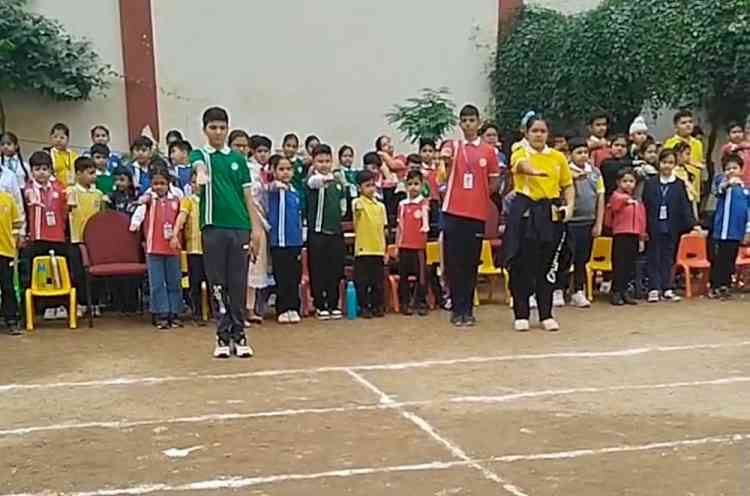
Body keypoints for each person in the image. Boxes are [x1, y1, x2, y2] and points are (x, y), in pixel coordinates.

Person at [191, 107, 260, 359]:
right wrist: (199, 175)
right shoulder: (201, 155)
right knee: (217, 283)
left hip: (239, 227)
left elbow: (247, 196)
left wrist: (255, 229)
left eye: (222, 127)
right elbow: (198, 165)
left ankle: (239, 334)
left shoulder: (238, 160)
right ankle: (222, 335)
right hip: (213, 227)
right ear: (205, 130)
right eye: (213, 128)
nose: (218, 132)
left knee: (238, 282)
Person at [505, 115, 573, 332]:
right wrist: (533, 171)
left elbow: (567, 185)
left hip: (549, 213)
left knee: (547, 264)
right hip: (525, 212)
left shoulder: (557, 157)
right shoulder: (520, 151)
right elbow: (519, 165)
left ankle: (546, 313)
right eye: (534, 131)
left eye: (542, 131)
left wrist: (569, 207)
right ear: (527, 133)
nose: (538, 135)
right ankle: (521, 313)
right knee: (521, 263)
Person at [442, 104, 501, 328]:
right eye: (464, 120)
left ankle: (468, 309)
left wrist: (479, 194)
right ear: (460, 124)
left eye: (471, 120)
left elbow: (494, 182)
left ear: (478, 122)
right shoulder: (453, 146)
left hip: (476, 213)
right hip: (453, 211)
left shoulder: (488, 151)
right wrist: (446, 160)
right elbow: (444, 162)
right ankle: (457, 309)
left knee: (470, 263)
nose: (468, 124)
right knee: (454, 262)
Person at [131, 165, 183, 329]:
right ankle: (161, 313)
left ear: (169, 184)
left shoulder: (177, 200)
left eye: (162, 183)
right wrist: (135, 224)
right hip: (154, 248)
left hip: (173, 248)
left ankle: (175, 313)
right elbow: (138, 212)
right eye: (155, 184)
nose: (158, 187)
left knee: (174, 281)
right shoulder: (148, 201)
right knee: (157, 283)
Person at [642, 149, 695, 303]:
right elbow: (645, 204)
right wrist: (643, 227)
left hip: (672, 226)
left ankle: (667, 287)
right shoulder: (651, 183)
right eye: (664, 162)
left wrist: (692, 224)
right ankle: (653, 288)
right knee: (653, 256)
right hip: (653, 225)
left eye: (670, 162)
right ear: (659, 163)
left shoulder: (678, 184)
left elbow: (685, 206)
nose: (667, 166)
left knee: (669, 257)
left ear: (675, 164)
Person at [557, 137, 604, 309]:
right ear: (570, 154)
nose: (583, 156)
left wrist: (598, 223)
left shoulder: (595, 173)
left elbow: (600, 197)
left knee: (582, 259)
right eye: (579, 152)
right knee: (565, 257)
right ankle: (559, 290)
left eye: (585, 152)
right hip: (570, 222)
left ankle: (578, 290)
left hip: (588, 221)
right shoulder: (565, 171)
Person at [24, 152, 69, 321]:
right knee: (42, 274)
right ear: (32, 171)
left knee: (58, 271)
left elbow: (67, 204)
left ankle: (60, 304)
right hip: (39, 237)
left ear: (50, 170)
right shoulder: (30, 187)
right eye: (37, 169)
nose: (41, 173)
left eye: (45, 169)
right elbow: (30, 197)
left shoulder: (59, 186)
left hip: (57, 236)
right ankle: (45, 306)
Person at [306, 144, 346, 320]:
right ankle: (320, 304)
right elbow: (314, 182)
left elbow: (343, 207)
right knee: (318, 270)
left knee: (335, 269)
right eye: (320, 161)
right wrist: (324, 178)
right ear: (313, 162)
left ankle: (333, 302)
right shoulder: (313, 181)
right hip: (318, 233)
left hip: (335, 233)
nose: (324, 164)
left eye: (327, 161)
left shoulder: (338, 184)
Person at [266, 154, 304, 324]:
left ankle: (293, 307)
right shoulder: (273, 189)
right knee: (281, 277)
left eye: (288, 169)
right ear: (273, 171)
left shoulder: (295, 191)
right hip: (278, 242)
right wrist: (275, 184)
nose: (285, 173)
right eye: (281, 169)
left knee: (294, 276)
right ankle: (282, 308)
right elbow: (268, 187)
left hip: (294, 241)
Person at [66, 157, 104, 317]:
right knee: (78, 272)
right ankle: (81, 303)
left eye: (94, 173)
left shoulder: (98, 194)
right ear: (79, 174)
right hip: (77, 239)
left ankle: (94, 303)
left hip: (94, 241)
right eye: (90, 173)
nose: (94, 176)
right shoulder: (71, 192)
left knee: (95, 274)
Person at [709, 153, 750, 299]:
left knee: (730, 259)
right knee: (719, 258)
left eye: (735, 168)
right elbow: (718, 190)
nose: (731, 171)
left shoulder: (745, 190)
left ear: (741, 170)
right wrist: (727, 183)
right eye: (728, 168)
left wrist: (747, 231)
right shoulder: (722, 182)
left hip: (735, 231)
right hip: (721, 231)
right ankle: (715, 285)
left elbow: (748, 212)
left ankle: (725, 285)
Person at [245, 134, 274, 323]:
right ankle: (243, 309)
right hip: (249, 221)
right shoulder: (248, 170)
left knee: (258, 268)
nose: (263, 155)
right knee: (247, 267)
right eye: (259, 151)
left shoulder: (267, 172)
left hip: (263, 223)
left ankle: (252, 308)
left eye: (266, 151)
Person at [607, 168, 646, 306]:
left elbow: (642, 220)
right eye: (624, 181)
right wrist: (627, 200)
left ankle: (624, 291)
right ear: (618, 182)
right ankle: (616, 291)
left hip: (634, 234)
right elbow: (615, 204)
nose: (628, 184)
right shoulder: (617, 196)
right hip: (621, 233)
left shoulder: (637, 200)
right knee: (619, 264)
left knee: (630, 264)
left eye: (631, 181)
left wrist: (642, 237)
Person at [172, 170, 207, 324]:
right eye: (193, 182)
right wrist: (175, 233)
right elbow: (182, 217)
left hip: (212, 249)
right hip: (194, 248)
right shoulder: (188, 200)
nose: (197, 185)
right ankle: (197, 312)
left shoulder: (212, 201)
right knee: (195, 282)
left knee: (214, 282)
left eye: (200, 182)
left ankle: (214, 311)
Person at [353, 169, 387, 318]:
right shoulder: (357, 203)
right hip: (363, 249)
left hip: (378, 248)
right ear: (360, 188)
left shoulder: (380, 206)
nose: (371, 189)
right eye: (367, 185)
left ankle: (376, 305)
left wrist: (385, 249)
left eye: (373, 185)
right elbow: (356, 213)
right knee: (362, 281)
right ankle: (363, 306)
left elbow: (383, 229)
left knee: (377, 281)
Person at [396, 169, 430, 316]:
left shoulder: (424, 203)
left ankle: (421, 302)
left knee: (421, 276)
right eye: (409, 184)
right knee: (403, 276)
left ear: (422, 185)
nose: (413, 187)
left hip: (418, 247)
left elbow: (426, 225)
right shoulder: (402, 204)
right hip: (404, 246)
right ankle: (405, 303)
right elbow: (400, 226)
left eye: (416, 184)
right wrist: (397, 245)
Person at [664, 110, 705, 204]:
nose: (688, 125)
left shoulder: (698, 143)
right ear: (675, 127)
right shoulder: (670, 143)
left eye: (690, 122)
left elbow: (698, 166)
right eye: (683, 123)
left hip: (694, 188)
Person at [0, 189, 23, 333]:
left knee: (7, 286)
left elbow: (17, 224)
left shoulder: (7, 198)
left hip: (6, 251)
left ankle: (11, 320)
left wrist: (15, 238)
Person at [600, 134, 633, 201]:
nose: (619, 148)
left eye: (623, 146)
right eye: (616, 145)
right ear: (611, 147)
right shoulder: (606, 163)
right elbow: (614, 166)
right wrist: (632, 163)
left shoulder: (631, 161)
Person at [282, 133, 307, 215]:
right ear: (283, 146)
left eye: (294, 147)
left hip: (298, 198)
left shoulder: (300, 164)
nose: (291, 149)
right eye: (288, 145)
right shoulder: (279, 163)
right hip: (283, 198)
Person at [720, 121, 750, 187]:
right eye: (734, 132)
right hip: (735, 182)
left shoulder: (746, 148)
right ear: (728, 135)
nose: (737, 134)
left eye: (740, 132)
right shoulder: (727, 148)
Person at [337, 145, 357, 221]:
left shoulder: (355, 172)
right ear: (340, 158)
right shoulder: (337, 173)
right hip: (344, 201)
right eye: (345, 156)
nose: (348, 158)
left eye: (350, 156)